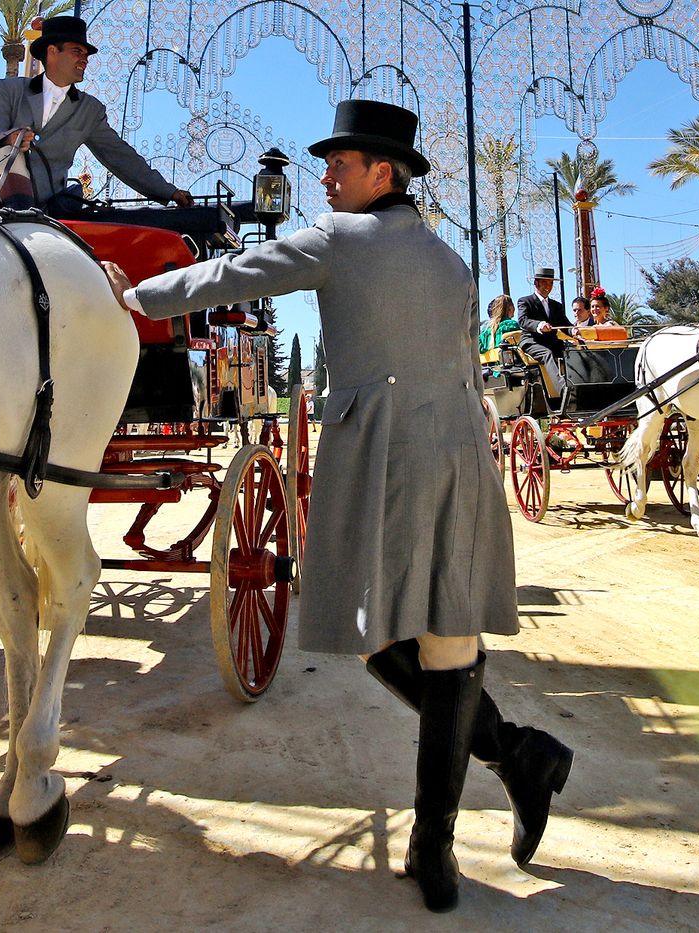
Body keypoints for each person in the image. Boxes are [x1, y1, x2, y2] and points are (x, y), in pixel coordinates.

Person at [101, 100, 572, 914]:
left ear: (380, 173)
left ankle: (506, 768)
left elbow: (228, 276)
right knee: (448, 644)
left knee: (374, 634)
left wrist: (137, 296)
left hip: (382, 454)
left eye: (340, 164)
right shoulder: (454, 263)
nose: (325, 177)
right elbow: (462, 364)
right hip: (458, 456)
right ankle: (455, 830)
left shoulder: (335, 239)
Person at [0, 16, 192, 212]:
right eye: (77, 51)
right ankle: (14, 219)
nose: (84, 60)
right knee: (8, 153)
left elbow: (121, 157)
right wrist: (10, 137)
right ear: (52, 51)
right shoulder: (11, 90)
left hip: (48, 205)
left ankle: (18, 221)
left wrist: (169, 191)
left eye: (86, 55)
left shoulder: (90, 110)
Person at [516, 267, 573, 399]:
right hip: (531, 342)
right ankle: (563, 391)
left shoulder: (556, 306)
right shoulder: (525, 301)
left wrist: (574, 331)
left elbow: (565, 325)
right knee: (547, 354)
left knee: (573, 352)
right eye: (545, 283)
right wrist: (539, 325)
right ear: (536, 283)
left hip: (552, 343)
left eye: (551, 283)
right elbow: (523, 321)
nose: (549, 286)